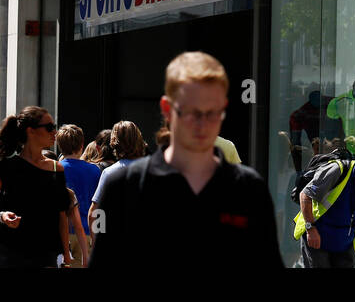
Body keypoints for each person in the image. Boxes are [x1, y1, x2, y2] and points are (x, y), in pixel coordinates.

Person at [91, 52, 283, 268]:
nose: (202, 123)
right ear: (167, 109)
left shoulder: (250, 190)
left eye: (212, 112)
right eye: (192, 112)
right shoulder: (124, 186)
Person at [0, 106, 71, 268]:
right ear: (31, 131)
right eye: (49, 127)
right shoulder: (6, 167)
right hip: (12, 254)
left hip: (47, 255)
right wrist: (2, 216)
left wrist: (66, 254)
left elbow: (61, 215)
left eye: (54, 127)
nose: (54, 132)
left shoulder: (57, 168)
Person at [294, 145, 355, 268]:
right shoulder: (337, 170)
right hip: (318, 239)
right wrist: (310, 228)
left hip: (344, 246)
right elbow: (305, 195)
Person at [87, 121, 147, 228]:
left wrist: (97, 240)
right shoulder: (152, 172)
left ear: (114, 141)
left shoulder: (110, 173)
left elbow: (94, 213)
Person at [56, 124, 101, 238]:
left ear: (59, 146)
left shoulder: (55, 169)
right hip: (90, 232)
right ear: (82, 145)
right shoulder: (95, 170)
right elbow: (99, 206)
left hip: (65, 233)